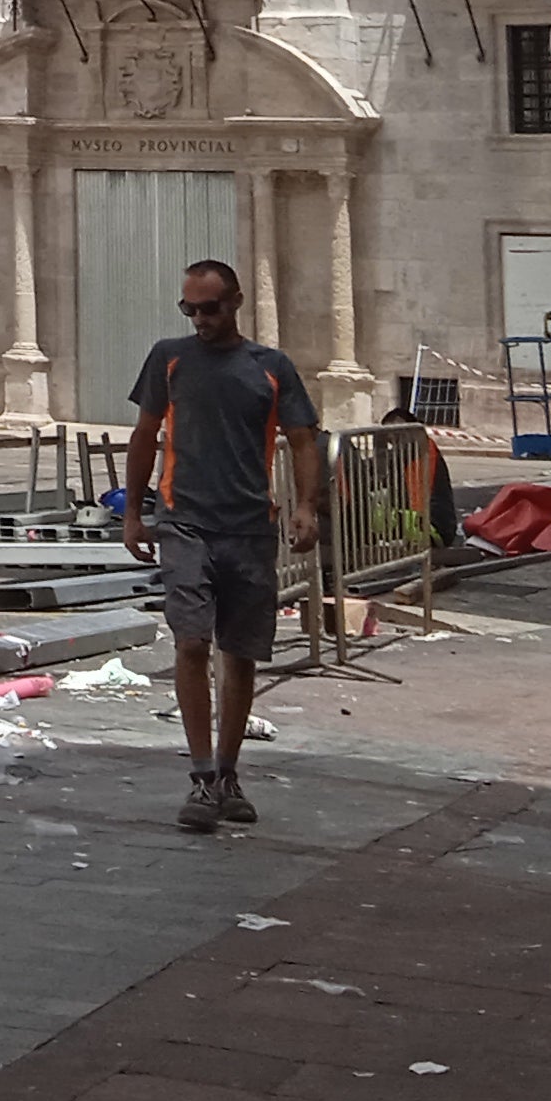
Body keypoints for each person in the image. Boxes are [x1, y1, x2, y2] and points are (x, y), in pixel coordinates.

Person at [119, 260, 323, 835]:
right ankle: (202, 776)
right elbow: (145, 434)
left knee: (240, 651)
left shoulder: (271, 368)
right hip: (185, 522)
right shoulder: (169, 358)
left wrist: (307, 506)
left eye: (210, 308)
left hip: (249, 527)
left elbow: (304, 438)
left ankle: (229, 773)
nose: (200, 319)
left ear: (235, 302)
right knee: (190, 641)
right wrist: (134, 514)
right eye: (190, 309)